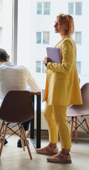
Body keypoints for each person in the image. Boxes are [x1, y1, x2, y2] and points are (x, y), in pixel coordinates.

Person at [36, 14, 82, 163]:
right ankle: (52, 145)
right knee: (48, 114)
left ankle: (65, 152)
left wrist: (49, 65)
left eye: (58, 24)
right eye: (55, 24)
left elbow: (67, 67)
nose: (55, 26)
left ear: (67, 26)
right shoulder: (62, 42)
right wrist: (48, 61)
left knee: (60, 119)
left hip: (61, 88)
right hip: (55, 86)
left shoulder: (68, 42)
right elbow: (60, 63)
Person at [0, 48, 40, 147]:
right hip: (24, 113)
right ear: (8, 57)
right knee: (29, 107)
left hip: (4, 113)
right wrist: (22, 87)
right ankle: (22, 138)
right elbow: (36, 89)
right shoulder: (23, 69)